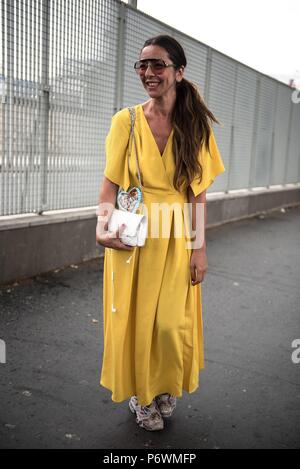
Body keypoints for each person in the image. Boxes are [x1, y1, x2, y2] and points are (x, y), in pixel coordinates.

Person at [96, 35, 225, 432]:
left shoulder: (196, 125)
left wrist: (198, 250)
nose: (148, 73)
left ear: (179, 71)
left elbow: (197, 195)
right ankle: (144, 395)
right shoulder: (127, 121)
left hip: (175, 237)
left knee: (170, 324)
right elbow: (110, 185)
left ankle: (167, 384)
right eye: (142, 65)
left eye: (157, 65)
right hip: (133, 237)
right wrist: (102, 227)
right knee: (136, 321)